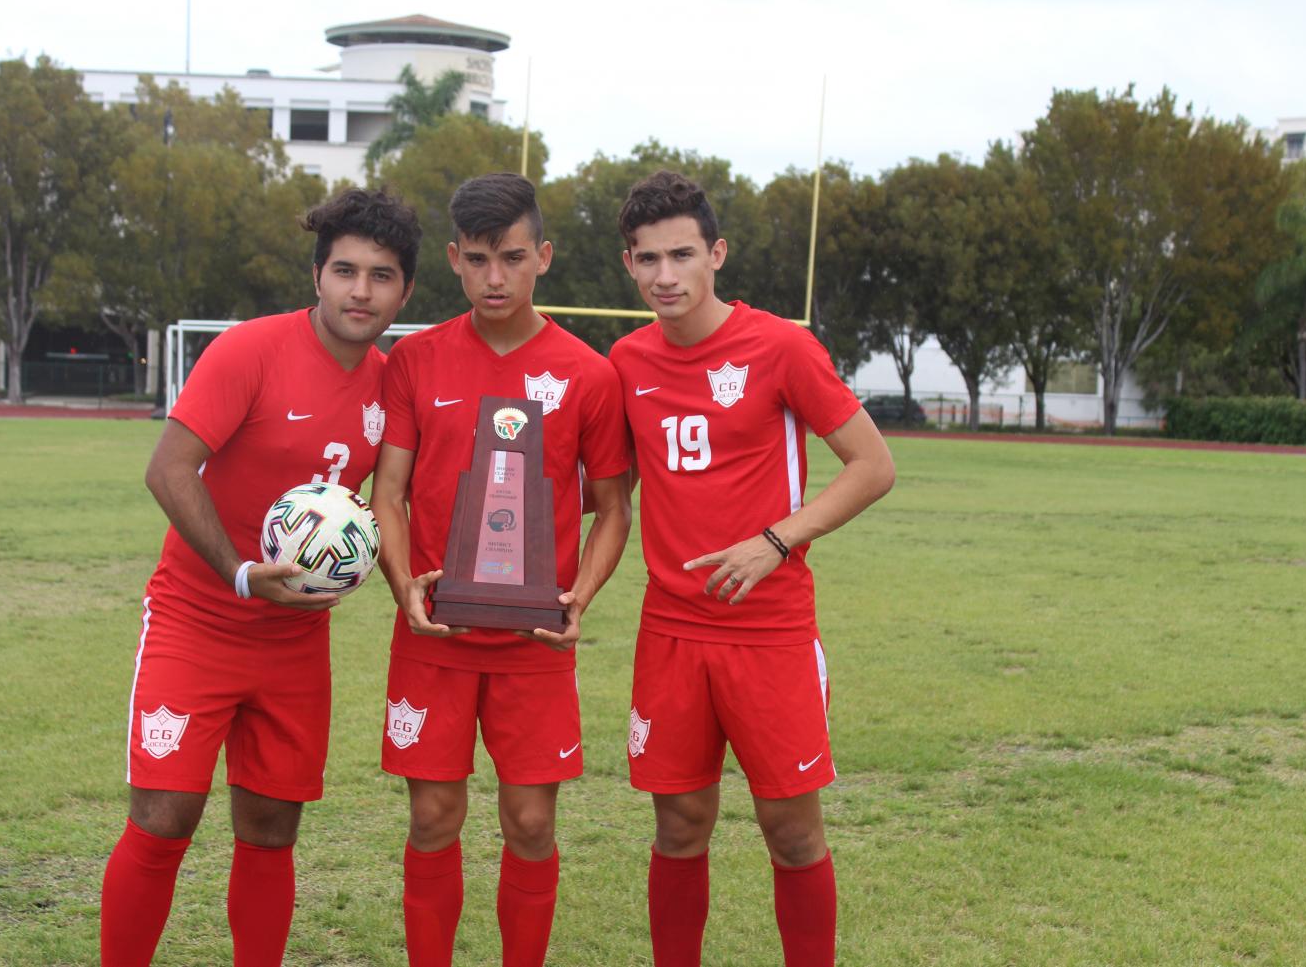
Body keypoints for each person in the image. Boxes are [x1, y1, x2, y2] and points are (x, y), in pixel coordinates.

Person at [99, 188, 422, 967]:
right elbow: (168, 469)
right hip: (196, 622)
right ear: (316, 274)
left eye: (381, 276)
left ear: (405, 290)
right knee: (164, 815)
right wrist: (241, 572)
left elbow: (399, 498)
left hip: (295, 642)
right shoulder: (249, 351)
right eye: (344, 270)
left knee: (272, 826)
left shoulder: (393, 382)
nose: (360, 291)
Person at [608, 171, 896, 967]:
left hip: (769, 632)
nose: (664, 276)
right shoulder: (626, 360)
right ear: (628, 265)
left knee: (792, 830)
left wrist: (773, 541)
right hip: (669, 630)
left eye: (681, 254)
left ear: (716, 253)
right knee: (678, 825)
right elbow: (604, 494)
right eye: (645, 259)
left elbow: (871, 465)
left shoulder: (779, 346)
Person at [369, 172, 632, 967]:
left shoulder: (588, 373)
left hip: (533, 646)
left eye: (512, 257)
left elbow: (614, 508)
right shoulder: (414, 360)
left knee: (529, 824)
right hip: (435, 635)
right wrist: (401, 583)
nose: (494, 277)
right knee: (432, 819)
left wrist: (578, 594)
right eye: (478, 258)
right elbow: (387, 492)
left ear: (542, 256)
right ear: (453, 257)